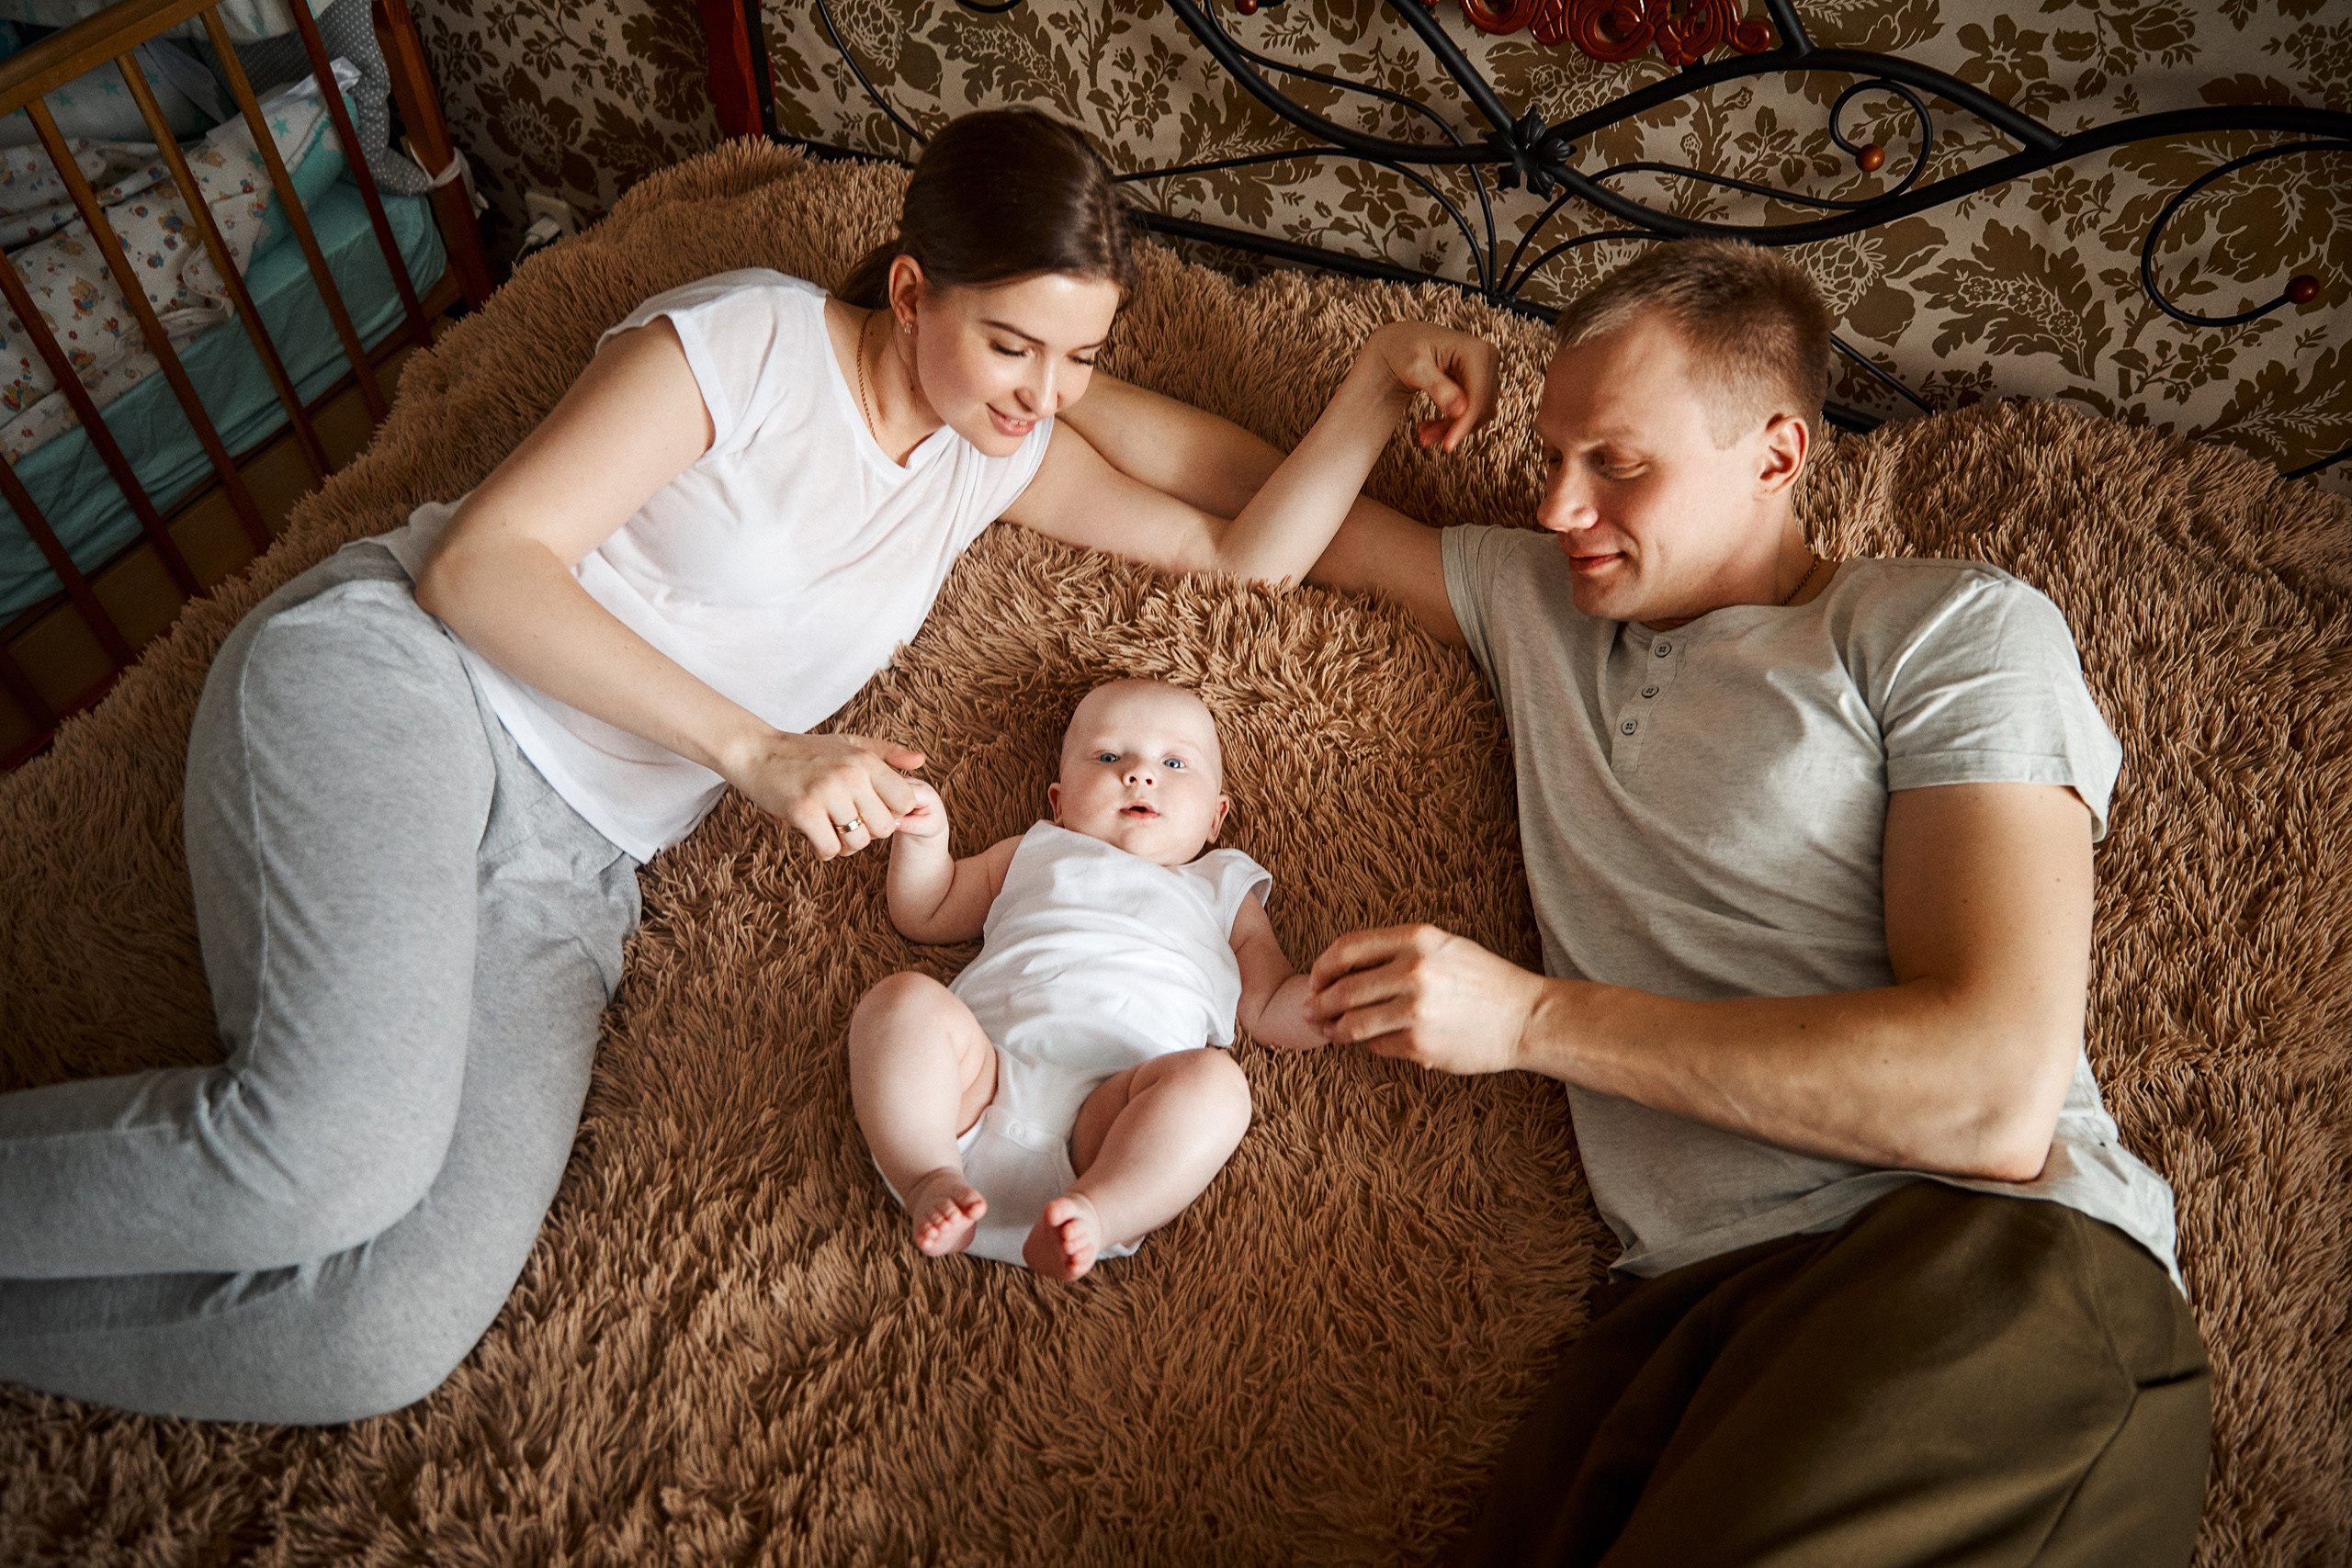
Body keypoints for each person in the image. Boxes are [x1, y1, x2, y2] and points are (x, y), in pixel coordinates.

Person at [0, 109, 1495, 1424]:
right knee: (327, 1159)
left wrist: (1368, 390)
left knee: (375, 1334)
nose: (1045, 394)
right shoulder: (744, 340)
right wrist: (755, 750)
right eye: (1012, 344)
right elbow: (481, 566)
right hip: (412, 682)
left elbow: (1244, 537)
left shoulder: (1000, 450)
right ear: (914, 290)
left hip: (573, 860)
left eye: (1082, 359)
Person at [1062, 239, 2210, 1566]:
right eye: (1553, 454)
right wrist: (1029, 369)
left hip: (1977, 1264)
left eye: (1617, 463)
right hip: (1674, 1317)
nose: (1556, 506)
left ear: (1778, 454)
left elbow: (1992, 1096)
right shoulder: (1538, 606)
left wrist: (1534, 1016)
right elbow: (1250, 498)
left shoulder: (1947, 628)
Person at [851, 677, 1323, 1281]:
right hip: (976, 1088)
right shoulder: (1033, 850)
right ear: (1058, 801)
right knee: (901, 999)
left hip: (1112, 1122)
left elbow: (1268, 1003)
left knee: (1218, 1086)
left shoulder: (1222, 886)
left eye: (1174, 762)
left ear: (1216, 816)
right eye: (1108, 756)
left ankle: (1097, 1214)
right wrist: (925, 838)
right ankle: (929, 1176)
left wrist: (1326, 1003)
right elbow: (928, 910)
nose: (1140, 774)